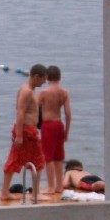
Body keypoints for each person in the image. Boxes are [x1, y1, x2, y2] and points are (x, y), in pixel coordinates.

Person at [1, 64, 47, 202]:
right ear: (36, 77)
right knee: (38, 160)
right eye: (43, 79)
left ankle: (5, 192)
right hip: (26, 131)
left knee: (15, 158)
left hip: (25, 129)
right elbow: (20, 112)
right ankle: (35, 193)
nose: (44, 83)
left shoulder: (28, 90)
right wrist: (19, 135)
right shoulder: (27, 91)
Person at [38, 65, 71, 194]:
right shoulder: (64, 93)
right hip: (59, 124)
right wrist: (67, 131)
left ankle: (51, 186)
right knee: (59, 156)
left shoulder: (44, 93)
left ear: (46, 77)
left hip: (48, 125)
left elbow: (35, 109)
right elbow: (67, 113)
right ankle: (59, 185)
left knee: (48, 157)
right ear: (60, 77)